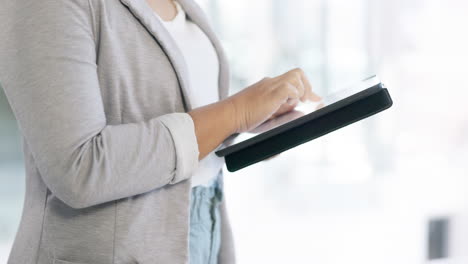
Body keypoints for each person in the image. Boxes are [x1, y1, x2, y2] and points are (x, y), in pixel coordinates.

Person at [0, 0, 321, 263]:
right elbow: (78, 166)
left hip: (203, 234)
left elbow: (182, 118)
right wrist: (235, 112)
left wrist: (253, 124)